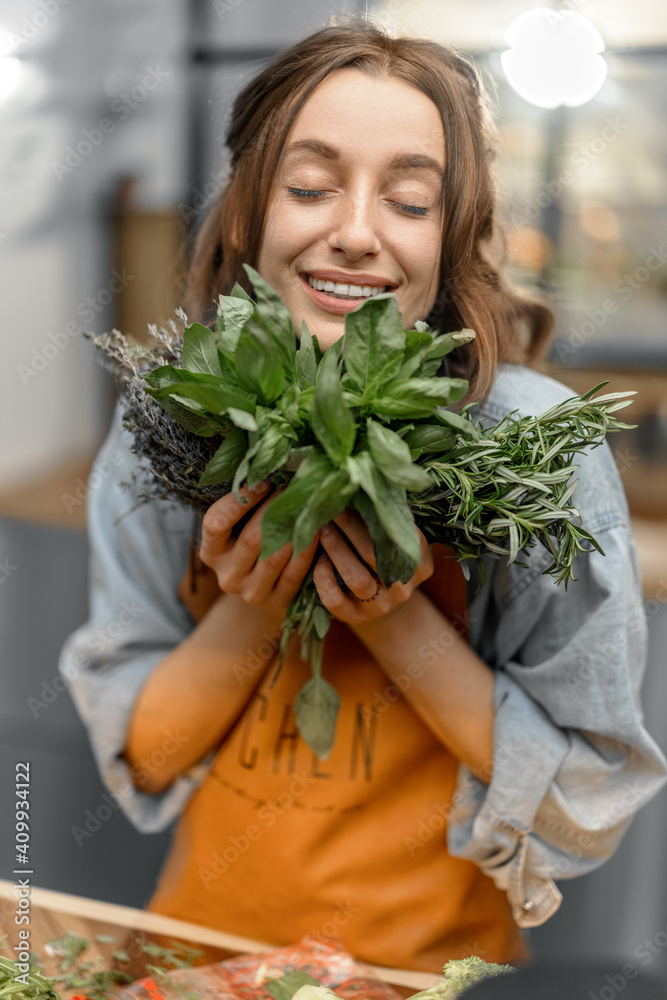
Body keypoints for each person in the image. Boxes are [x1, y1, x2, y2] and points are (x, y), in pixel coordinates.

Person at [58, 19, 667, 974]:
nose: (354, 231)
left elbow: (582, 798)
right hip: (197, 960)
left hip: (421, 977)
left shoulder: (530, 449)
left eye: (410, 201)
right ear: (246, 215)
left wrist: (395, 621)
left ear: (452, 238)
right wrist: (256, 599)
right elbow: (148, 752)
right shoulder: (165, 428)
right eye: (308, 187)